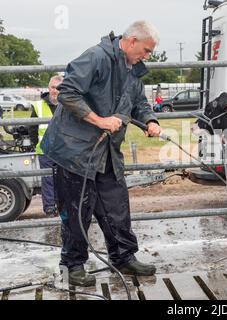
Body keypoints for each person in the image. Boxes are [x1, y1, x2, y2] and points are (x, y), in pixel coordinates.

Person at [41, 20, 162, 287]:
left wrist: (150, 120)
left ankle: (123, 256)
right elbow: (67, 92)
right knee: (77, 210)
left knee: (116, 205)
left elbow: (139, 102)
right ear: (131, 41)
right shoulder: (96, 57)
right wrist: (100, 120)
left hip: (106, 150)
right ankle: (73, 265)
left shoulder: (133, 71)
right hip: (74, 150)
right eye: (146, 50)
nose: (147, 56)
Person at [29, 75, 63, 217]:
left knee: (63, 178)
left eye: (59, 88)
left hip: (64, 150)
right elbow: (32, 128)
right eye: (53, 88)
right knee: (48, 179)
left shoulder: (67, 104)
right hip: (45, 149)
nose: (55, 91)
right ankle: (49, 207)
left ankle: (63, 205)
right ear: (48, 88)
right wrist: (34, 144)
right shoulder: (38, 106)